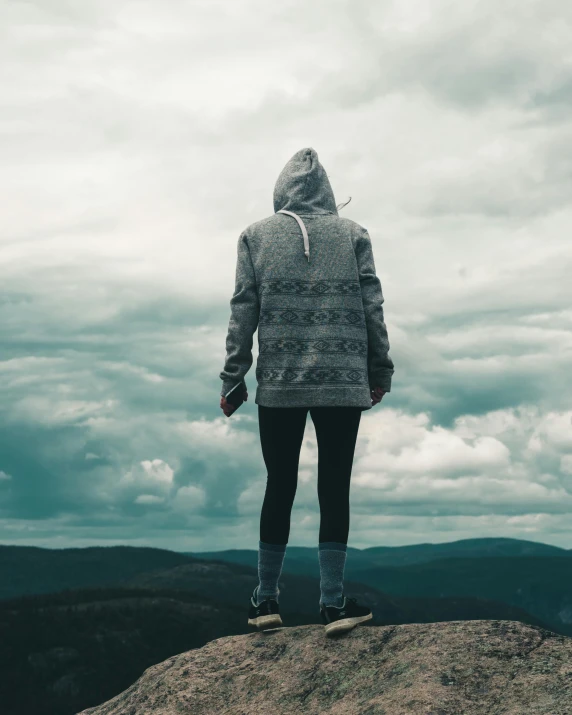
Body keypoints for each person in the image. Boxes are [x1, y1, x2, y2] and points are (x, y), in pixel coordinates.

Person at [219, 147, 394, 635]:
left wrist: (233, 377)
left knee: (280, 485)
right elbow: (372, 305)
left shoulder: (255, 236)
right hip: (343, 379)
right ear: (329, 193)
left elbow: (242, 311)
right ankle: (334, 604)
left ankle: (265, 602)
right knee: (334, 488)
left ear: (281, 190)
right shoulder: (354, 234)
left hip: (280, 382)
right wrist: (379, 371)